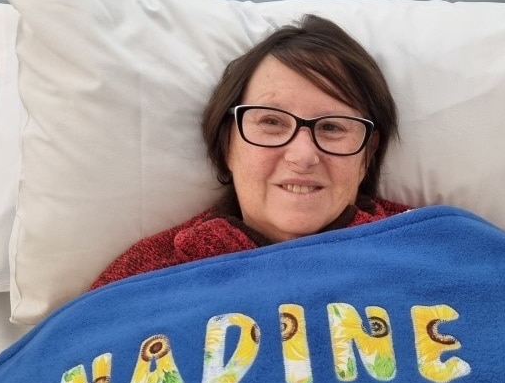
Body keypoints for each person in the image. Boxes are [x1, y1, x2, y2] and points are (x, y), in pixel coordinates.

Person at [91, 15, 409, 290]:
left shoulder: (440, 246)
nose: (302, 156)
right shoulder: (143, 275)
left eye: (333, 127)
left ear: (367, 153)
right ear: (228, 143)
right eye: (271, 122)